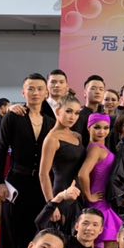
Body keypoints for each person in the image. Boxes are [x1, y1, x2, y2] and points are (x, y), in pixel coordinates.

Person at [0, 74, 56, 248]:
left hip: (41, 184)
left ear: (46, 93)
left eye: (39, 89)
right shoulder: (13, 117)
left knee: (35, 231)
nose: (35, 92)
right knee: (12, 230)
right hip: (17, 182)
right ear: (23, 92)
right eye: (31, 88)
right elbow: (1, 149)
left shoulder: (51, 122)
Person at [76, 113, 123, 248]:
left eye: (105, 128)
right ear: (88, 127)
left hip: (103, 202)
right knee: (107, 247)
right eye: (97, 127)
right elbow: (82, 174)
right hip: (99, 203)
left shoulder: (98, 147)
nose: (101, 131)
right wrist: (89, 195)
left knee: (107, 247)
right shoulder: (96, 149)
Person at [38, 95, 85, 232]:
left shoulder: (77, 136)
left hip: (78, 195)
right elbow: (43, 174)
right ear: (58, 111)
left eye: (76, 113)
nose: (73, 117)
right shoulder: (52, 139)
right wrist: (52, 205)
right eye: (68, 111)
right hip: (61, 195)